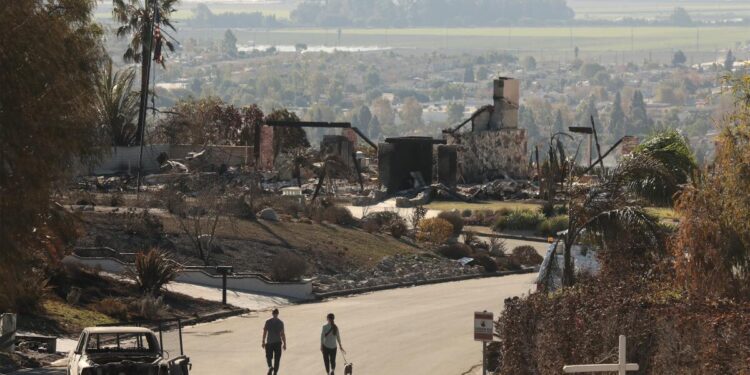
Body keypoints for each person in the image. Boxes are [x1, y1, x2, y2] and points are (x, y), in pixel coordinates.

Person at [262, 309, 286, 375]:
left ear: (272, 314)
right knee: (277, 359)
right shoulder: (280, 322)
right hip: (278, 343)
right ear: (278, 314)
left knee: (268, 357)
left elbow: (265, 332)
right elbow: (282, 334)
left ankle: (270, 367)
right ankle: (275, 373)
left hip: (269, 342)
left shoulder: (268, 322)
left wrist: (263, 341)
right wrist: (284, 344)